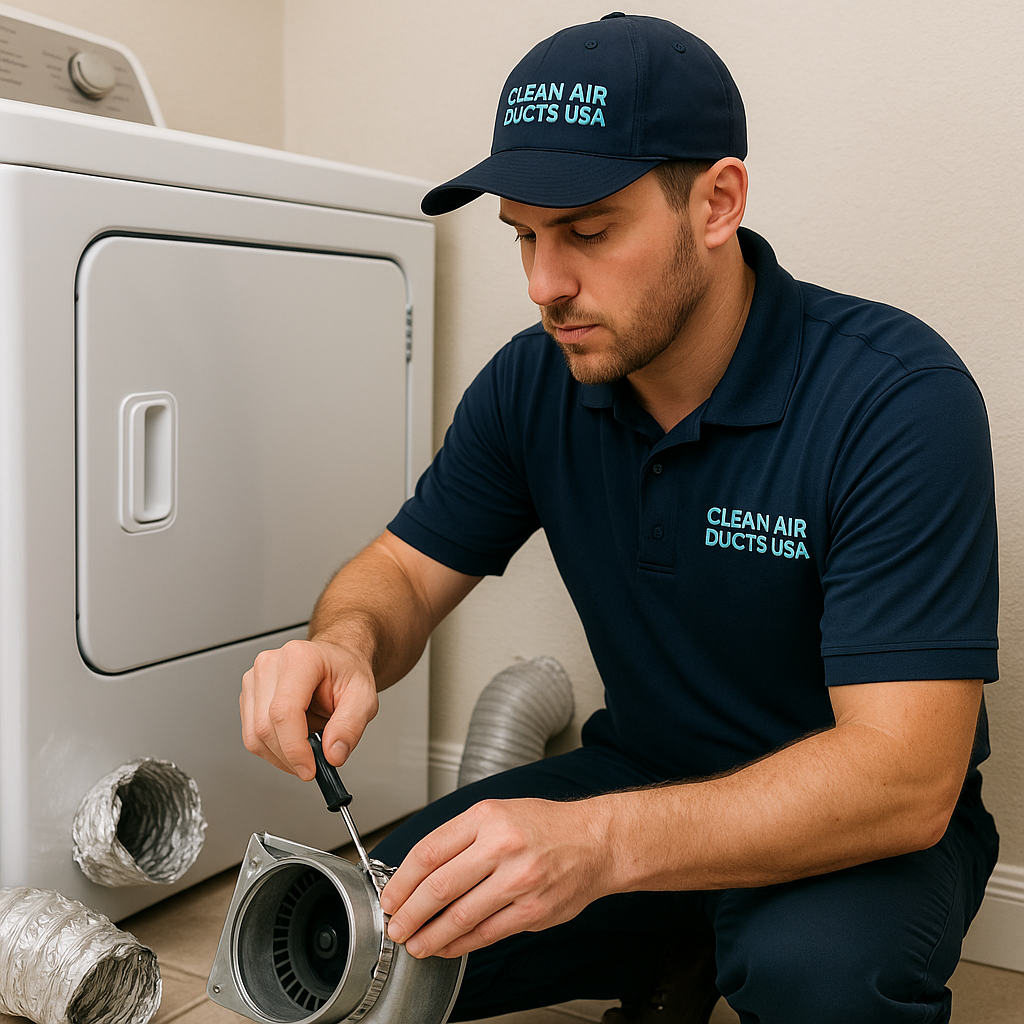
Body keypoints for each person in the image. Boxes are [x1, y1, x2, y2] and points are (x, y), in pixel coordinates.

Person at [239, 13, 999, 1024]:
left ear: (717, 202)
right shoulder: (535, 380)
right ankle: (680, 942)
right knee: (349, 943)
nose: (543, 285)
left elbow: (905, 777)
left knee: (820, 976)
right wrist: (345, 641)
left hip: (845, 828)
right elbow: (404, 572)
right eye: (524, 235)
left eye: (588, 233)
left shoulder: (894, 399)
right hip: (640, 775)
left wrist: (600, 845)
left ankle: (713, 942)